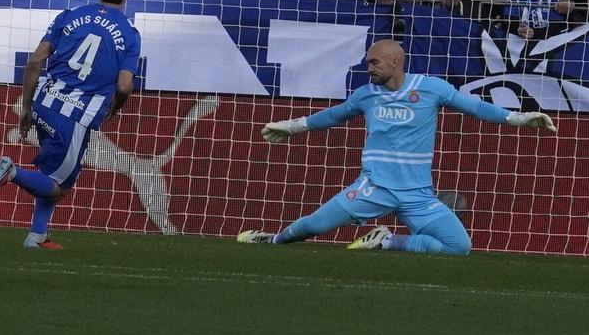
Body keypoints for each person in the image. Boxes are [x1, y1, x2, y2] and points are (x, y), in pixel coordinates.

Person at [237, 38, 555, 254]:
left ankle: (387, 241)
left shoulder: (430, 88)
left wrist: (520, 118)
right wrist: (291, 127)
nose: (369, 67)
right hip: (373, 188)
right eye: (367, 63)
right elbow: (333, 116)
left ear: (394, 62)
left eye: (374, 62)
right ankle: (272, 239)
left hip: (417, 195)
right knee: (310, 226)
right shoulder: (366, 94)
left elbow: (475, 108)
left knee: (460, 248)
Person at [0, 0, 142, 251]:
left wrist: (26, 107)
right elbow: (125, 85)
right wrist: (116, 106)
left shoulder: (70, 15)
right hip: (75, 115)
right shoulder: (129, 33)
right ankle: (10, 170)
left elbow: (35, 60)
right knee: (59, 186)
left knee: (50, 171)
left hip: (45, 102)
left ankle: (36, 235)